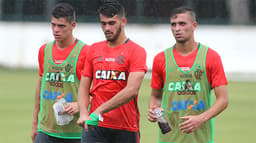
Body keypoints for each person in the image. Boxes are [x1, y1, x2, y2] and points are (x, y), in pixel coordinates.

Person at [147, 6, 228, 143]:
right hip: (169, 138)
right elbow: (155, 96)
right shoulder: (161, 59)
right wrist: (153, 110)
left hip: (201, 138)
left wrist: (200, 119)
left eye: (182, 24)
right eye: (173, 24)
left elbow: (223, 100)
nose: (177, 28)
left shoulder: (210, 57)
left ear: (194, 25)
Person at [77, 0, 147, 143]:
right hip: (95, 126)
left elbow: (132, 90)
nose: (107, 28)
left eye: (111, 23)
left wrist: (99, 110)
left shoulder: (137, 51)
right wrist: (84, 113)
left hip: (125, 127)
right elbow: (84, 86)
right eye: (103, 23)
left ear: (123, 21)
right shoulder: (93, 49)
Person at [31, 3, 89, 143]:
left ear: (73, 25)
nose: (56, 30)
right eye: (53, 25)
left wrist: (79, 105)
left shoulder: (85, 52)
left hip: (75, 133)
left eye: (61, 26)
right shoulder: (44, 51)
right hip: (45, 130)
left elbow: (97, 90)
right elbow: (40, 86)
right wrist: (35, 124)